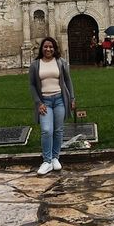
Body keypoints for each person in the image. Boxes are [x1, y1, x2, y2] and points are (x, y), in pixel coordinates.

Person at [28, 37, 76, 175]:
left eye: (51, 47)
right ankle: (46, 160)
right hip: (45, 102)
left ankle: (55, 157)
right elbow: (31, 85)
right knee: (47, 130)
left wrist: (72, 98)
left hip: (60, 99)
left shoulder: (60, 62)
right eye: (45, 46)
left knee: (58, 130)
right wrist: (38, 102)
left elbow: (68, 80)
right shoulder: (35, 65)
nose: (48, 49)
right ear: (41, 48)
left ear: (54, 48)